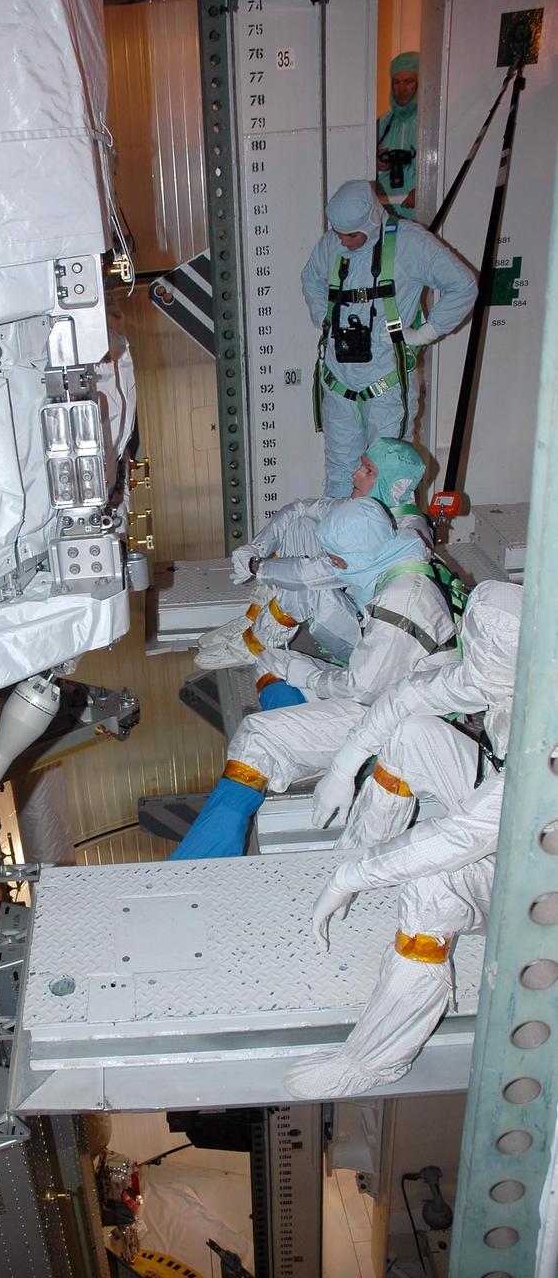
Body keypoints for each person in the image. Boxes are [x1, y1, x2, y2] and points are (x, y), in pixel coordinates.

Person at [285, 580, 522, 1099]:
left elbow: (461, 835)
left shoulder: (546, 742)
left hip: (540, 883)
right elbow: (410, 696)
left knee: (435, 882)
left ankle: (376, 1060)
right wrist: (345, 766)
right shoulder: (518, 670)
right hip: (518, 822)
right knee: (410, 735)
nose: (475, 672)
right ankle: (358, 853)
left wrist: (352, 877)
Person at [169, 498, 457, 860]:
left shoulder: (401, 602)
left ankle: (199, 863)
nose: (331, 565)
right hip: (390, 688)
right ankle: (297, 747)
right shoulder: (397, 556)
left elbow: (363, 689)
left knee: (258, 736)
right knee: (272, 662)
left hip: (397, 717)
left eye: (336, 559)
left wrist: (311, 675)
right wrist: (300, 671)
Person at [196, 438, 429, 678]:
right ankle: (254, 617)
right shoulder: (371, 506)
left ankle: (254, 646)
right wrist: (256, 548)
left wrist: (257, 566)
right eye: (361, 466)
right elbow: (300, 509)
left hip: (372, 644)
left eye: (368, 470)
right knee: (299, 526)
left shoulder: (407, 528)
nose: (355, 474)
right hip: (356, 607)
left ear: (395, 485)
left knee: (307, 589)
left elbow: (313, 575)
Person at [303, 180, 476, 497]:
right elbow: (311, 278)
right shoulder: (331, 244)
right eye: (339, 233)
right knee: (341, 474)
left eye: (351, 235)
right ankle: (338, 526)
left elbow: (463, 285)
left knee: (387, 473)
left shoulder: (410, 243)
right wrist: (323, 317)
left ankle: (385, 528)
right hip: (338, 379)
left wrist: (423, 334)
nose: (343, 241)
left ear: (371, 218)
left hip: (385, 383)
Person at [377, 51, 420, 219]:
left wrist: (422, 192)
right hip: (386, 211)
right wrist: (378, 164)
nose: (401, 89)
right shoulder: (383, 124)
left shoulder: (430, 123)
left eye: (408, 81)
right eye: (396, 82)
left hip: (419, 215)